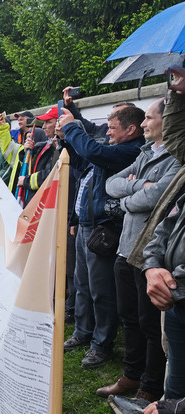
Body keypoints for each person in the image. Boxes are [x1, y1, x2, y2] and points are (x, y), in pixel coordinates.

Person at [97, 98, 177, 402]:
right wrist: (137, 188)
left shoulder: (175, 158)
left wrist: (129, 198)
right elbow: (111, 184)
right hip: (125, 248)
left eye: (150, 118)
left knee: (149, 324)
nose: (144, 123)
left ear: (166, 122)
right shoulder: (145, 153)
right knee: (128, 317)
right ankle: (132, 374)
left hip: (150, 253)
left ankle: (150, 385)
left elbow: (159, 196)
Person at [59, 105, 146, 368]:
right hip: (86, 226)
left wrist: (72, 127)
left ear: (131, 129)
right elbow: (82, 161)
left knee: (101, 291)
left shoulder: (130, 151)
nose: (107, 131)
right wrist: (67, 140)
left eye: (112, 127)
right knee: (83, 285)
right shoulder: (112, 149)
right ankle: (83, 332)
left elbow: (93, 151)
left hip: (103, 230)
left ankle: (101, 344)